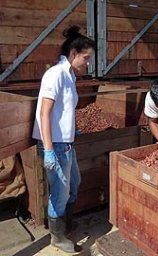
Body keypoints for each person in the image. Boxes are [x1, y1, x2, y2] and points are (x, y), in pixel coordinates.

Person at [32, 25, 96, 253]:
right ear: (73, 53)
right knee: (60, 192)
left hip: (66, 144)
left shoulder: (69, 75)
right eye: (86, 58)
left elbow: (64, 110)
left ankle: (66, 225)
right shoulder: (55, 74)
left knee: (73, 184)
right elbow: (44, 113)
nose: (88, 63)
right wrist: (48, 149)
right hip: (55, 146)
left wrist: (71, 130)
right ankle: (57, 237)